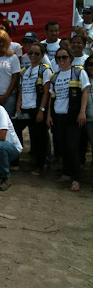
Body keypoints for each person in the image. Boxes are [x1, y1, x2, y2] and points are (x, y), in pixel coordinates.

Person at [47, 47, 89, 192]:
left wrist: (82, 112)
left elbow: (85, 92)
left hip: (73, 116)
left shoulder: (78, 72)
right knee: (62, 147)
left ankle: (76, 179)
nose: (62, 60)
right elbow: (51, 98)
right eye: (59, 58)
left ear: (70, 58)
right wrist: (49, 115)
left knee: (73, 147)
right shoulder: (55, 76)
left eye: (64, 57)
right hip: (58, 117)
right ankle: (66, 173)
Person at [15, 42, 52, 175]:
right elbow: (21, 90)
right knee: (15, 129)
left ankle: (40, 165)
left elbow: (47, 92)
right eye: (31, 53)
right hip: (25, 108)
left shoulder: (45, 70)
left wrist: (42, 110)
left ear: (42, 55)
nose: (33, 56)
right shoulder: (24, 71)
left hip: (37, 108)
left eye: (37, 53)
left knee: (38, 138)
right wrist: (18, 104)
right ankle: (16, 159)